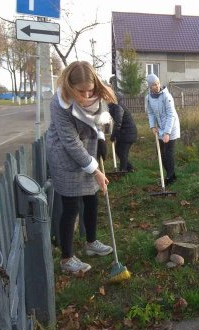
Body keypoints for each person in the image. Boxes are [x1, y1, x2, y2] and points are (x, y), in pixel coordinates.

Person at [46, 61, 117, 274]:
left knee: (91, 199)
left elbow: (101, 119)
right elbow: (70, 142)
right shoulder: (59, 103)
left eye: (90, 90)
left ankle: (91, 243)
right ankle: (67, 258)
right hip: (64, 156)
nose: (86, 96)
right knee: (71, 207)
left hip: (88, 149)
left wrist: (102, 138)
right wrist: (95, 171)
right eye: (81, 91)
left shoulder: (96, 96)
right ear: (70, 87)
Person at [145, 73, 180, 184]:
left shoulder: (166, 96)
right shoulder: (148, 97)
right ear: (150, 86)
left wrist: (166, 133)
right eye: (154, 84)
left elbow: (171, 114)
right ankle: (171, 174)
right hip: (160, 128)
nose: (157, 86)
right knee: (160, 152)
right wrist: (152, 126)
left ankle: (170, 178)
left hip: (171, 128)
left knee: (168, 153)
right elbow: (150, 113)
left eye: (158, 83)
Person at [109, 94, 138, 172]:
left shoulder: (118, 107)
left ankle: (123, 171)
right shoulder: (113, 106)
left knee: (123, 152)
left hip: (128, 133)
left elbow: (118, 123)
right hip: (123, 133)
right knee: (118, 150)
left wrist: (113, 135)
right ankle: (130, 168)